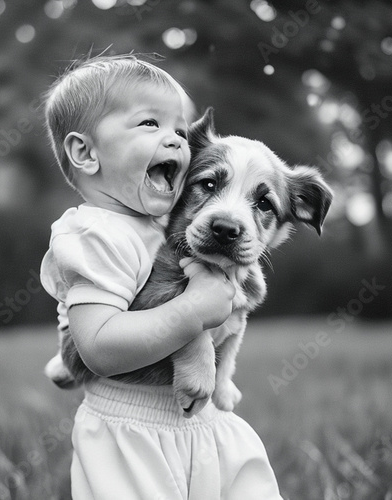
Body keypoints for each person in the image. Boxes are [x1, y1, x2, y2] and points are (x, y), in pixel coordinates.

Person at [40, 54, 283, 499]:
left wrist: (220, 369)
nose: (177, 141)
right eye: (151, 124)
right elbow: (101, 340)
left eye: (179, 129)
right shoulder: (95, 234)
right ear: (86, 152)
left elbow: (227, 311)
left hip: (202, 422)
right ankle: (66, 356)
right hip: (132, 430)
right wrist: (191, 318)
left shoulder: (159, 220)